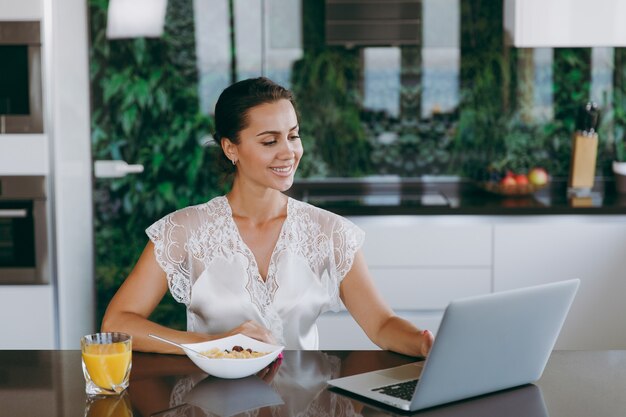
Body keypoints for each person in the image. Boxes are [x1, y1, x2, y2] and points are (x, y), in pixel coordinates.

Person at [101, 77, 434, 357]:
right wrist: (214, 344)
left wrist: (422, 344)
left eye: (293, 135)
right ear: (231, 148)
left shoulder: (330, 232)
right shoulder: (184, 230)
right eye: (269, 141)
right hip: (210, 403)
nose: (288, 152)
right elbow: (118, 322)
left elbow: (380, 324)